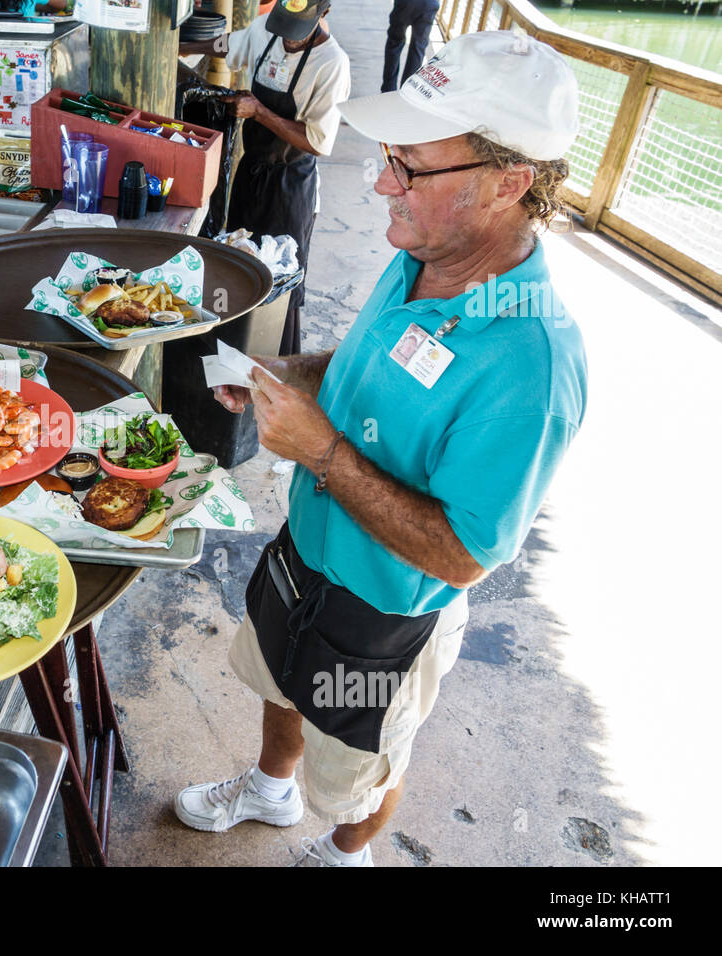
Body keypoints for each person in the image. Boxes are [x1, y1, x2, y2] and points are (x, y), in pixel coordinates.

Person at [174, 31, 586, 866]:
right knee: (280, 678)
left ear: (510, 183)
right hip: (308, 549)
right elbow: (365, 363)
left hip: (382, 615)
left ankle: (346, 849)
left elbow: (466, 554)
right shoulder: (427, 256)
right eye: (389, 156)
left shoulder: (531, 360)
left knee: (360, 758)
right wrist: (283, 372)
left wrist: (321, 452)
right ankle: (267, 788)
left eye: (411, 167)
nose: (381, 183)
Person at [181, 0, 350, 356]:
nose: (288, 40)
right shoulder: (265, 30)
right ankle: (230, 358)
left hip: (291, 184)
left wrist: (259, 111)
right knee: (239, 261)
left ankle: (277, 362)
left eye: (296, 33)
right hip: (251, 172)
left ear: (324, 14)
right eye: (283, 28)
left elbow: (317, 142)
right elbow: (228, 45)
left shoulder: (332, 64)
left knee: (279, 279)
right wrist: (182, 46)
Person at [382, 0, 441, 92]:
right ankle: (407, 91)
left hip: (406, 3)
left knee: (394, 43)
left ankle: (388, 89)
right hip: (429, 4)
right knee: (418, 48)